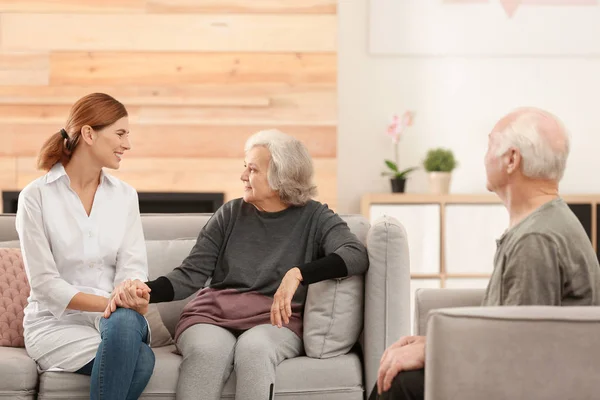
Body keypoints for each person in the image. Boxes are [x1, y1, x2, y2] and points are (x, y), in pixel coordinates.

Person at [105, 128, 370, 400]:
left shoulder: (316, 217)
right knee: (207, 352)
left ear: (282, 178)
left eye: (253, 170)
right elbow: (189, 276)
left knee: (255, 350)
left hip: (275, 322)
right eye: (246, 167)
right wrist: (144, 290)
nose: (243, 176)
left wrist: (299, 273)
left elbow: (355, 254)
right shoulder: (230, 213)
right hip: (211, 316)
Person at [369, 107, 600, 400]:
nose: (484, 156)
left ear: (512, 159)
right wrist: (435, 340)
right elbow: (508, 322)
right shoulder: (543, 222)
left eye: (491, 145)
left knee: (396, 383)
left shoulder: (536, 239)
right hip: (532, 367)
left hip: (538, 381)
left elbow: (519, 345)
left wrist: (434, 349)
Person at [17, 93, 155, 400]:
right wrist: (112, 302)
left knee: (124, 322)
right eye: (120, 133)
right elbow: (45, 285)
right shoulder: (35, 198)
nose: (127, 144)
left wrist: (131, 292)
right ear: (89, 134)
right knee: (141, 359)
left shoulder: (125, 196)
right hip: (55, 325)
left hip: (119, 323)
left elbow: (132, 267)